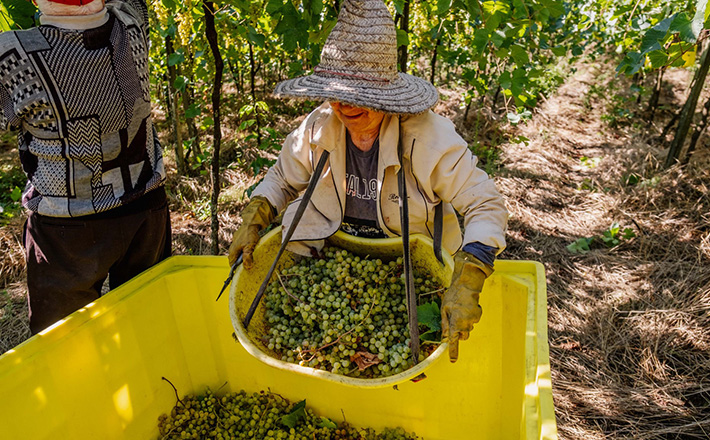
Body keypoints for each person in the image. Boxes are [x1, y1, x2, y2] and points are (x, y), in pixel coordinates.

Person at [228, 0, 508, 362]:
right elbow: (282, 178)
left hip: (407, 272)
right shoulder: (318, 128)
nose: (345, 107)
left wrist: (469, 275)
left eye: (360, 97)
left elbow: (485, 203)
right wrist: (257, 211)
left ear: (386, 97)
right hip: (334, 268)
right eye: (337, 95)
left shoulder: (428, 139)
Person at [0, 0, 169, 334]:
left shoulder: (12, 56)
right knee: (149, 328)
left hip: (67, 228)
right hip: (146, 210)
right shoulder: (131, 22)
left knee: (62, 343)